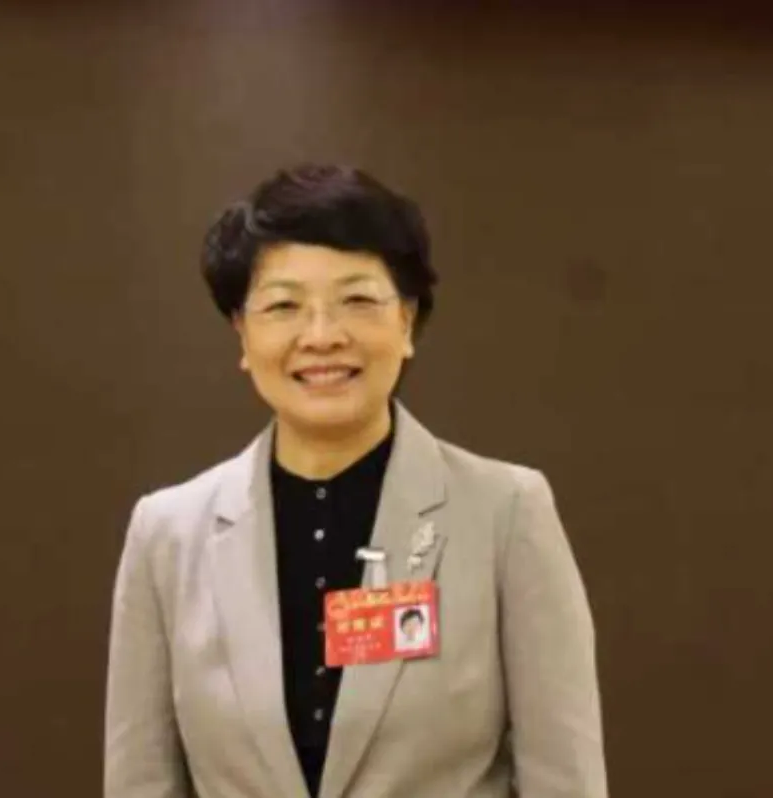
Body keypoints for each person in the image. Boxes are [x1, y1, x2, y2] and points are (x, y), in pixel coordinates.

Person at [104, 164, 608, 798]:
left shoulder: (505, 512)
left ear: (407, 321)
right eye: (284, 306)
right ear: (242, 333)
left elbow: (565, 780)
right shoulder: (167, 534)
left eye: (358, 300)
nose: (322, 336)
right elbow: (141, 781)